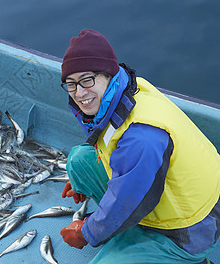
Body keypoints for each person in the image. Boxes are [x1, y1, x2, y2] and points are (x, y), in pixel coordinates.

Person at [58, 29, 220, 263]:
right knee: (79, 160)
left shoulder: (141, 137)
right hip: (158, 189)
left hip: (191, 227)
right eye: (71, 84)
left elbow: (128, 202)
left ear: (108, 75)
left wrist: (86, 233)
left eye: (87, 80)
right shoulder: (128, 89)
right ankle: (125, 230)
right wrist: (81, 181)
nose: (79, 93)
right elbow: (112, 150)